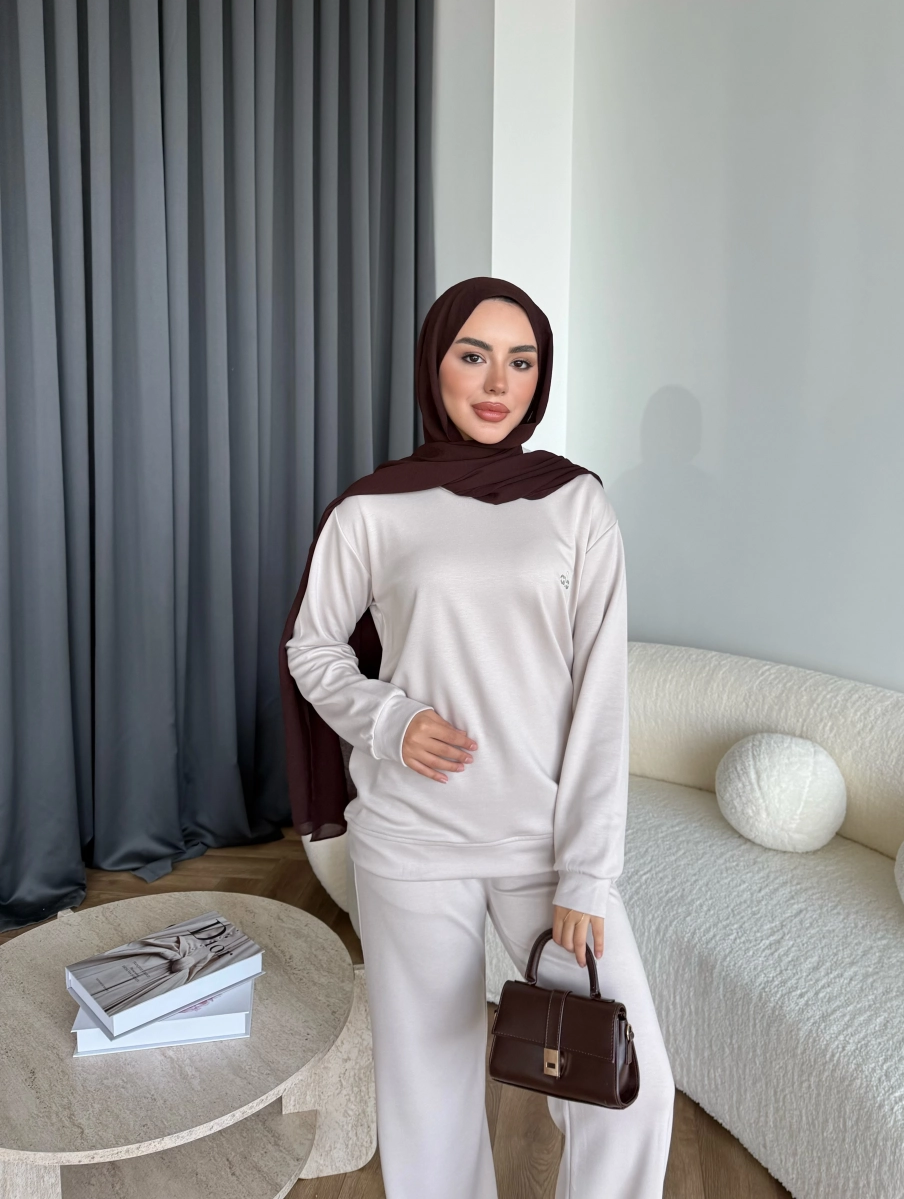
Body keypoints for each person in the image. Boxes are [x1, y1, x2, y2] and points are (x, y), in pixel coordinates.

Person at [281, 277, 675, 1199]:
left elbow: (602, 696)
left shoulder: (575, 503)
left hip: (543, 843)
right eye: (474, 355)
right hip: (411, 840)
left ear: (540, 376)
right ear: (435, 365)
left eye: (521, 361)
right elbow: (313, 646)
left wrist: (587, 871)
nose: (499, 383)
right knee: (429, 1097)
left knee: (633, 1088)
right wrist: (392, 719)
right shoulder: (373, 509)